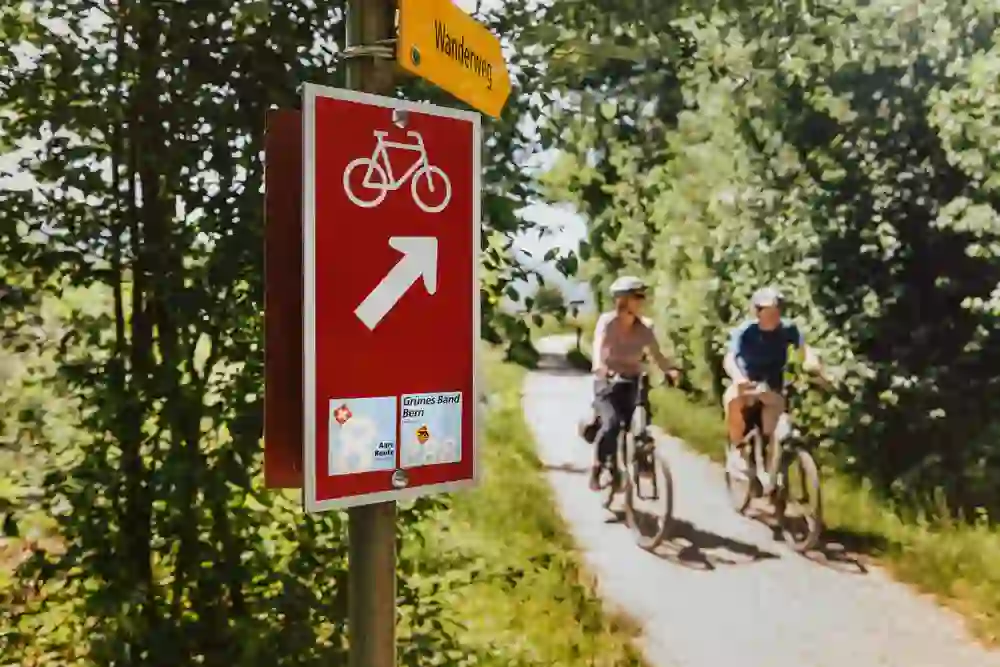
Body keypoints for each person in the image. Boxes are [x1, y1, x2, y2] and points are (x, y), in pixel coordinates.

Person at [588, 276, 681, 491]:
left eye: (642, 296)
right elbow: (598, 344)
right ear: (622, 300)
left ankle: (642, 463)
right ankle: (599, 465)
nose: (642, 300)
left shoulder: (645, 328)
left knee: (641, 427)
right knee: (611, 424)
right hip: (607, 381)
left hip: (633, 382)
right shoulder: (607, 322)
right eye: (636, 296)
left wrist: (670, 370)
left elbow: (656, 354)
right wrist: (599, 365)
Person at [722, 286, 824, 477]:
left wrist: (812, 362)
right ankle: (738, 452)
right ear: (757, 312)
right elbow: (729, 358)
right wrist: (739, 378)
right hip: (747, 384)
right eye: (768, 311)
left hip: (771, 386)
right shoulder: (745, 332)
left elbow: (804, 347)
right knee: (732, 401)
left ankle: (772, 473)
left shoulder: (788, 329)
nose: (773, 316)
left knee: (773, 426)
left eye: (777, 311)